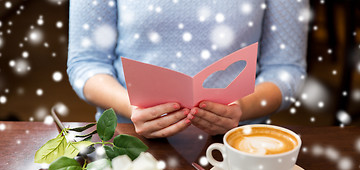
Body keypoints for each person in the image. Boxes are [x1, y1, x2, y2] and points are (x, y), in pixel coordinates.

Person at [67, 0, 309, 138]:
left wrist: (242, 108)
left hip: (238, 145)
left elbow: (286, 69)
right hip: (128, 138)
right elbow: (86, 63)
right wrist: (130, 106)